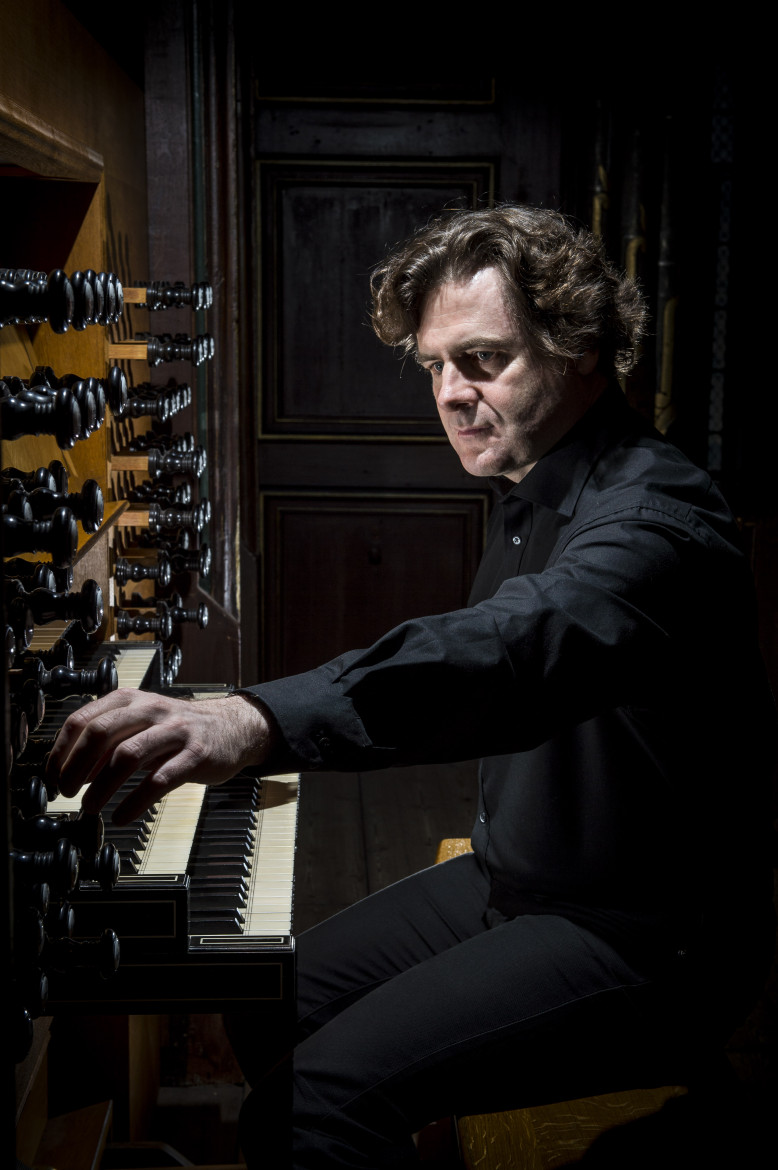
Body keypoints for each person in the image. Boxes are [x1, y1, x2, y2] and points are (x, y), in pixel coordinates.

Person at [49, 206, 776, 1168]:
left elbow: (509, 649)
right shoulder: (537, 481)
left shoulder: (654, 521)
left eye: (483, 361)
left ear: (582, 350)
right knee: (269, 1004)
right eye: (435, 366)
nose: (451, 394)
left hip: (649, 935)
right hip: (520, 880)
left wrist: (253, 718)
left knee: (304, 1113)